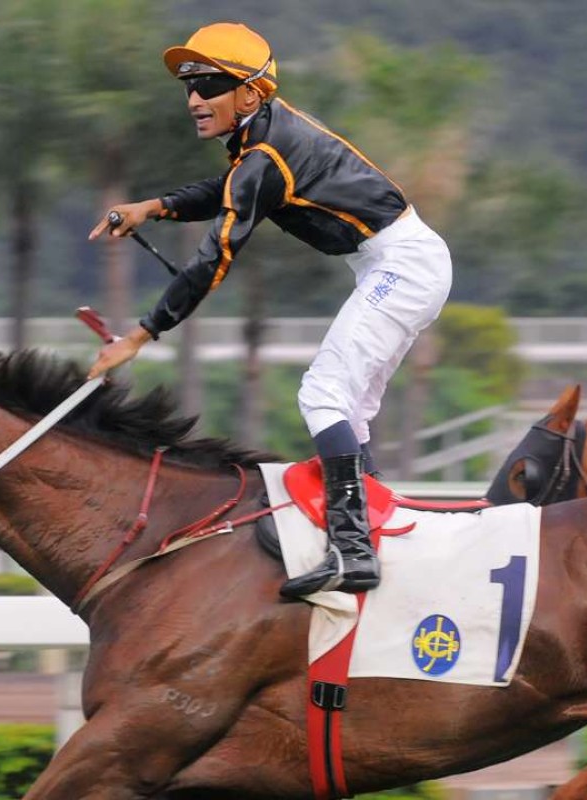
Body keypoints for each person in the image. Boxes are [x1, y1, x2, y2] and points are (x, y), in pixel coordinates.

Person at [84, 22, 453, 599]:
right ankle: (373, 529)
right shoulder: (258, 142)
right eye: (189, 87)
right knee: (348, 409)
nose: (194, 100)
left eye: (209, 85)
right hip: (397, 262)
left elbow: (215, 256)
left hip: (401, 265)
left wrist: (141, 334)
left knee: (323, 393)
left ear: (251, 95)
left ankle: (353, 550)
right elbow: (228, 190)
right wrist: (153, 207)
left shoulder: (266, 152)